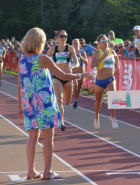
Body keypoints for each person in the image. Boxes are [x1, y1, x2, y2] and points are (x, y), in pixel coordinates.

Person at [17, 27, 91, 180]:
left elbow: (20, 85)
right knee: (48, 137)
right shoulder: (42, 58)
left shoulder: (22, 60)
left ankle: (30, 171)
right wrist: (80, 75)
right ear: (39, 42)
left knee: (32, 137)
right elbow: (62, 75)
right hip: (43, 102)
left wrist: (20, 106)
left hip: (28, 102)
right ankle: (47, 172)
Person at [46, 30, 79, 131]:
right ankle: (62, 122)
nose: (64, 38)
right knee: (59, 100)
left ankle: (62, 112)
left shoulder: (70, 48)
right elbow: (45, 61)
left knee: (67, 101)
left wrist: (72, 67)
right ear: (57, 38)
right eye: (62, 36)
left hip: (68, 77)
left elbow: (77, 63)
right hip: (57, 77)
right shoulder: (52, 49)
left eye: (65, 36)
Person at [90, 34, 120, 130]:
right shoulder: (97, 53)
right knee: (98, 101)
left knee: (112, 97)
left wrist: (118, 67)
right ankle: (96, 117)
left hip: (110, 79)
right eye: (103, 41)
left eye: (106, 40)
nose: (105, 42)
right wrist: (103, 57)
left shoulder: (111, 51)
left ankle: (112, 117)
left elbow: (116, 58)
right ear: (99, 43)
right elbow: (92, 65)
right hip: (100, 81)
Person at [71, 39, 88, 109]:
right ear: (72, 44)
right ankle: (74, 100)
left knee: (78, 88)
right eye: (74, 43)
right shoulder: (70, 52)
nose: (76, 45)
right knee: (75, 85)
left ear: (79, 44)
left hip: (81, 72)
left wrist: (80, 56)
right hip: (73, 72)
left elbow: (86, 62)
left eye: (77, 43)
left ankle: (75, 99)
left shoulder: (82, 52)